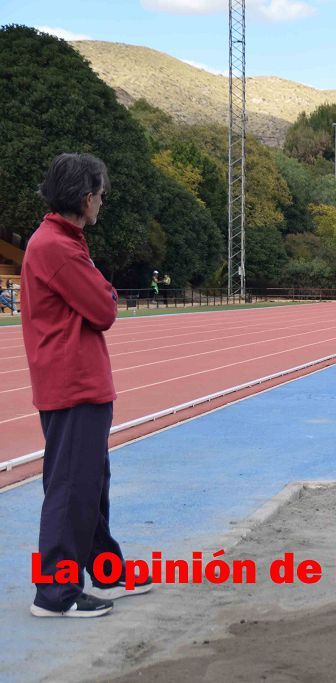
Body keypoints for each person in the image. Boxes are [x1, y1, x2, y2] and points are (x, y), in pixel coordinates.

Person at [23, 153, 152, 618]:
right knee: (70, 487)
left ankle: (107, 571)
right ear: (85, 197)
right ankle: (55, 594)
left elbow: (99, 298)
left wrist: (101, 289)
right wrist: (104, 290)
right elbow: (104, 309)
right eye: (100, 195)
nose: (102, 203)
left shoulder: (64, 240)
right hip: (72, 382)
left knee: (90, 483)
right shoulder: (56, 246)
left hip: (80, 382)